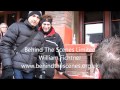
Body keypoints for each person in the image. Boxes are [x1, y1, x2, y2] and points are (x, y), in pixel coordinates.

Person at [0, 11, 44, 79]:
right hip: (15, 68)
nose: (35, 19)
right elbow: (5, 46)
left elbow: (41, 54)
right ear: (29, 16)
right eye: (33, 16)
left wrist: (41, 70)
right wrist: (7, 66)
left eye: (38, 17)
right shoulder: (16, 26)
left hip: (30, 71)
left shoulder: (40, 35)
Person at [36, 14, 66, 79]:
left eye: (48, 24)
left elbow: (61, 53)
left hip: (48, 71)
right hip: (35, 70)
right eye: (44, 24)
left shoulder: (56, 37)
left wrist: (61, 68)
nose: (46, 26)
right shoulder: (35, 34)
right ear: (41, 24)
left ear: (51, 24)